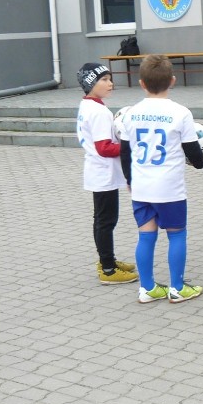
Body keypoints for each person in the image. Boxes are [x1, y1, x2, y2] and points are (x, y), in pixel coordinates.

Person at [119, 55, 203, 303]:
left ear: (142, 84)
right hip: (170, 188)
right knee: (176, 234)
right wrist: (202, 160)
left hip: (141, 187)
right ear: (172, 81)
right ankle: (177, 287)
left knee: (146, 236)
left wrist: (129, 179)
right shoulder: (181, 113)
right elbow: (195, 157)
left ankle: (147, 288)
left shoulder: (130, 113)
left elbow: (125, 152)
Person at [76, 63, 138, 285]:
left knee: (102, 220)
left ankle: (107, 260)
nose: (110, 83)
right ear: (90, 84)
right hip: (103, 174)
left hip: (98, 172)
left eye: (110, 78)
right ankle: (109, 270)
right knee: (106, 221)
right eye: (103, 79)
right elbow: (104, 148)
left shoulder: (88, 106)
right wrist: (128, 146)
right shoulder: (99, 112)